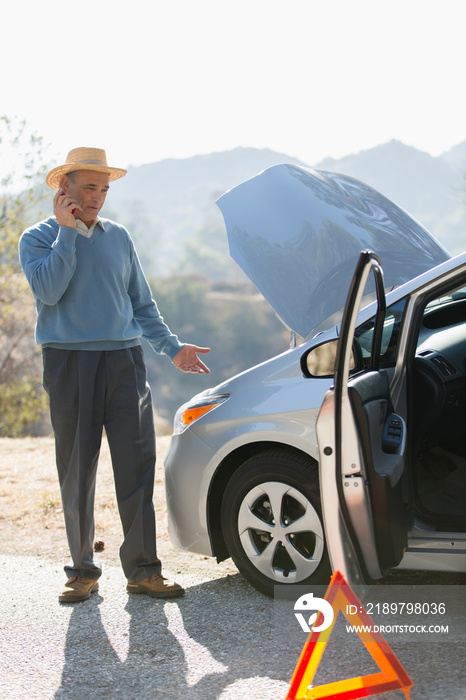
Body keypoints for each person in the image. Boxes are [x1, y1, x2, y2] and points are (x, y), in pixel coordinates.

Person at [19, 147, 211, 604]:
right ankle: (82, 571)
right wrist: (68, 233)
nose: (99, 197)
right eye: (90, 187)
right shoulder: (38, 238)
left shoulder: (119, 237)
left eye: (104, 189)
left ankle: (143, 570)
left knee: (138, 466)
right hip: (69, 364)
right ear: (63, 189)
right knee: (77, 470)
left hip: (125, 361)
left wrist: (172, 348)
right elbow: (48, 290)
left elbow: (141, 304)